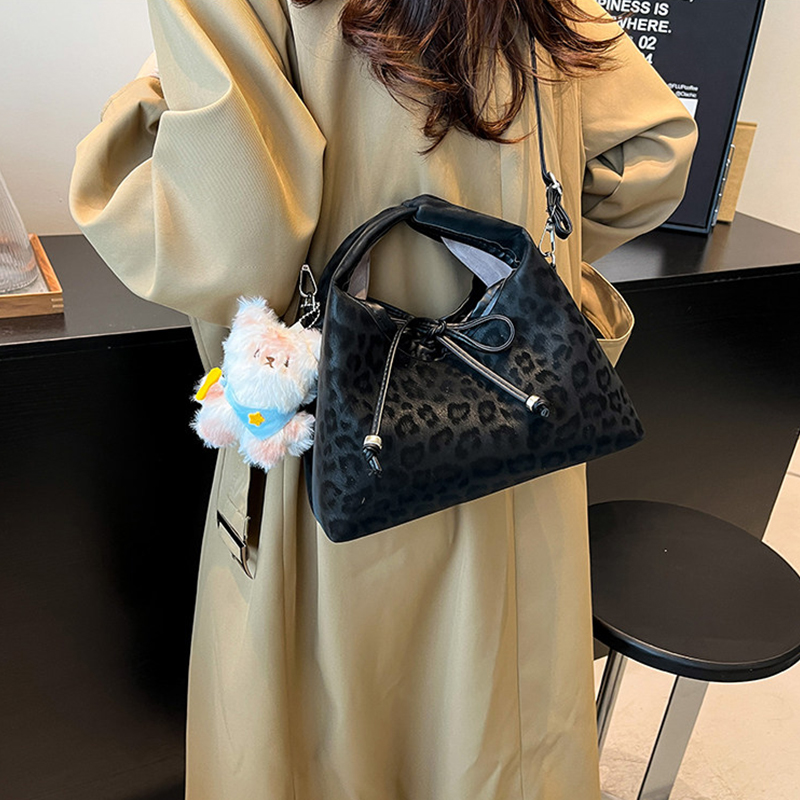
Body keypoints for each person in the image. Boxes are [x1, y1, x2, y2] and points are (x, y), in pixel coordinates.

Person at [69, 0, 697, 797]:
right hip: (514, 429)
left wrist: (154, 94)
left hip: (338, 450)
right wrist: (510, 279)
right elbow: (655, 151)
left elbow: (229, 250)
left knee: (324, 740)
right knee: (498, 726)